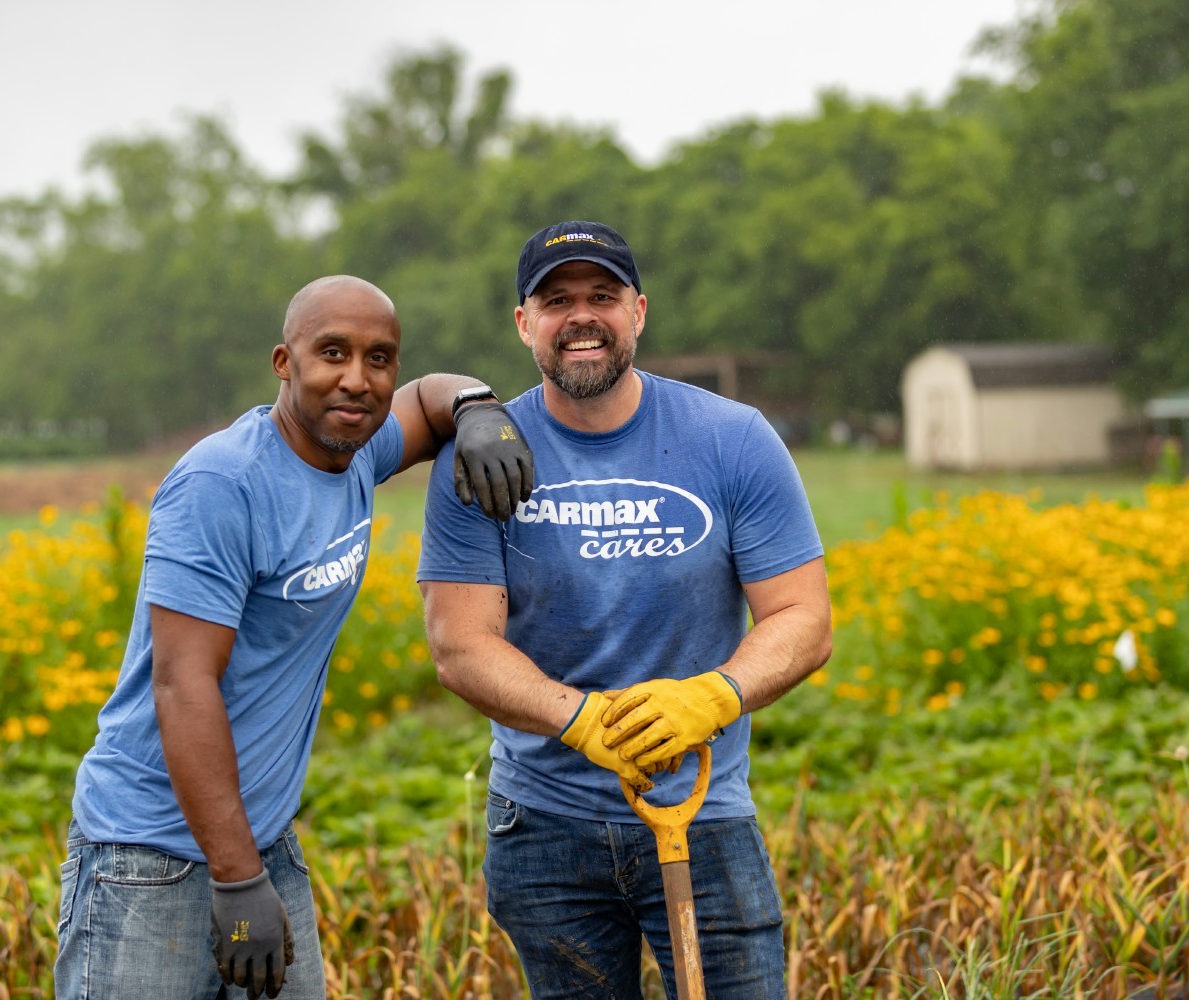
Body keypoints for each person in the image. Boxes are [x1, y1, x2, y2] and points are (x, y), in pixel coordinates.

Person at [55, 274, 534, 1000]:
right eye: (331, 353)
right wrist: (237, 879)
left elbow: (434, 395)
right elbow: (182, 686)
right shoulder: (225, 483)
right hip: (153, 858)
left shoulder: (356, 455)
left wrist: (477, 408)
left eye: (379, 358)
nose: (357, 379)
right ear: (285, 363)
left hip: (262, 840)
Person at [418, 222, 832, 998]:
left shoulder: (732, 439)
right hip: (542, 831)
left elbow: (803, 618)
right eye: (556, 299)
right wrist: (581, 721)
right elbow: (461, 647)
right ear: (523, 323)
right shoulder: (481, 459)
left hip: (702, 818)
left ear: (638, 311)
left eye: (602, 296)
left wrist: (714, 696)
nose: (582, 316)